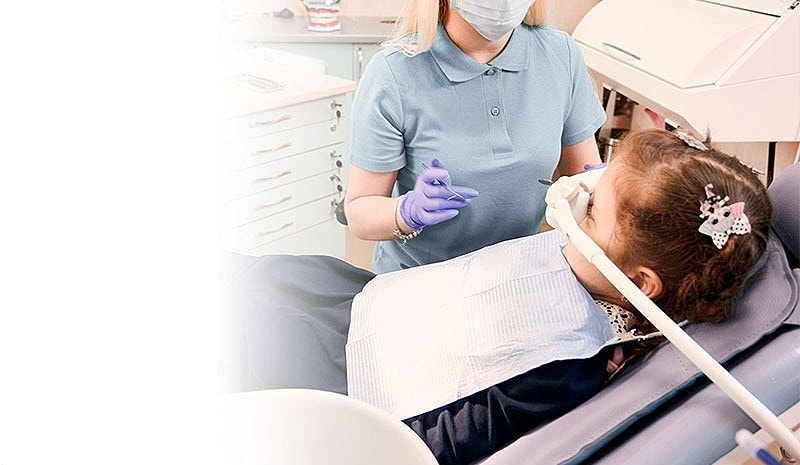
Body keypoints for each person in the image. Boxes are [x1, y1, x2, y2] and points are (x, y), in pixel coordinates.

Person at [223, 129, 772, 465]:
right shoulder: (592, 268)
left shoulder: (566, 362)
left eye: (593, 212)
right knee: (257, 275)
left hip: (347, 379)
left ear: (641, 282)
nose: (574, 204)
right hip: (361, 305)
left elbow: (436, 441)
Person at [343, 0, 607, 273]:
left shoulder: (560, 54)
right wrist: (406, 212)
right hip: (421, 279)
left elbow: (586, 183)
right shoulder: (394, 71)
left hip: (518, 274)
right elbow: (360, 213)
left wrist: (608, 186)